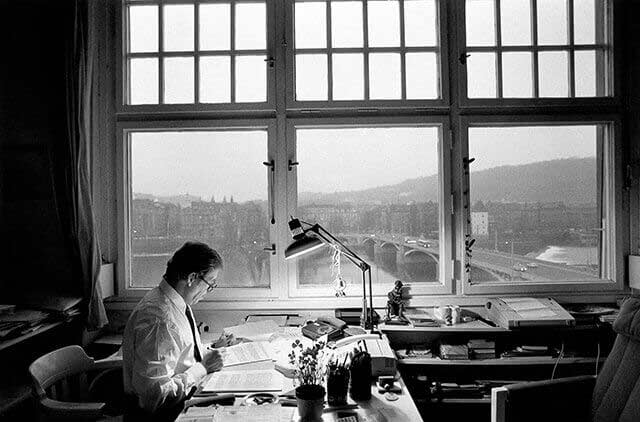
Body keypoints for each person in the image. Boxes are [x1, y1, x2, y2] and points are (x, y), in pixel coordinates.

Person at [122, 241, 233, 421]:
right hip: (165, 416)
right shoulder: (159, 320)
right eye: (209, 283)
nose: (208, 290)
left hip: (182, 402)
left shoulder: (175, 302)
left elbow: (181, 354)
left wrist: (212, 348)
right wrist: (202, 368)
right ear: (191, 278)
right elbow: (154, 397)